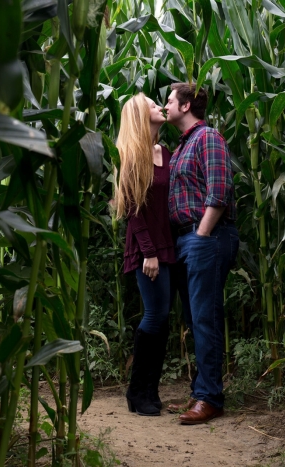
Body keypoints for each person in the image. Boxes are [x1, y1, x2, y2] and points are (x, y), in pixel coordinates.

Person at [164, 83, 239, 425]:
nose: (165, 105)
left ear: (186, 105)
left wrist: (202, 234)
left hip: (204, 236)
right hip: (187, 239)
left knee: (204, 316)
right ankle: (203, 389)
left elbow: (220, 189)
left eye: (169, 100)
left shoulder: (208, 136)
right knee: (196, 318)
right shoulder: (181, 147)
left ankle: (210, 397)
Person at [114, 93, 174, 416]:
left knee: (163, 319)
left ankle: (151, 391)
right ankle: (137, 391)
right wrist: (149, 252)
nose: (159, 107)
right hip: (146, 250)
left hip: (168, 247)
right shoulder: (131, 154)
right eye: (152, 105)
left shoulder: (164, 152)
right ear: (139, 115)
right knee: (154, 315)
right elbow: (132, 211)